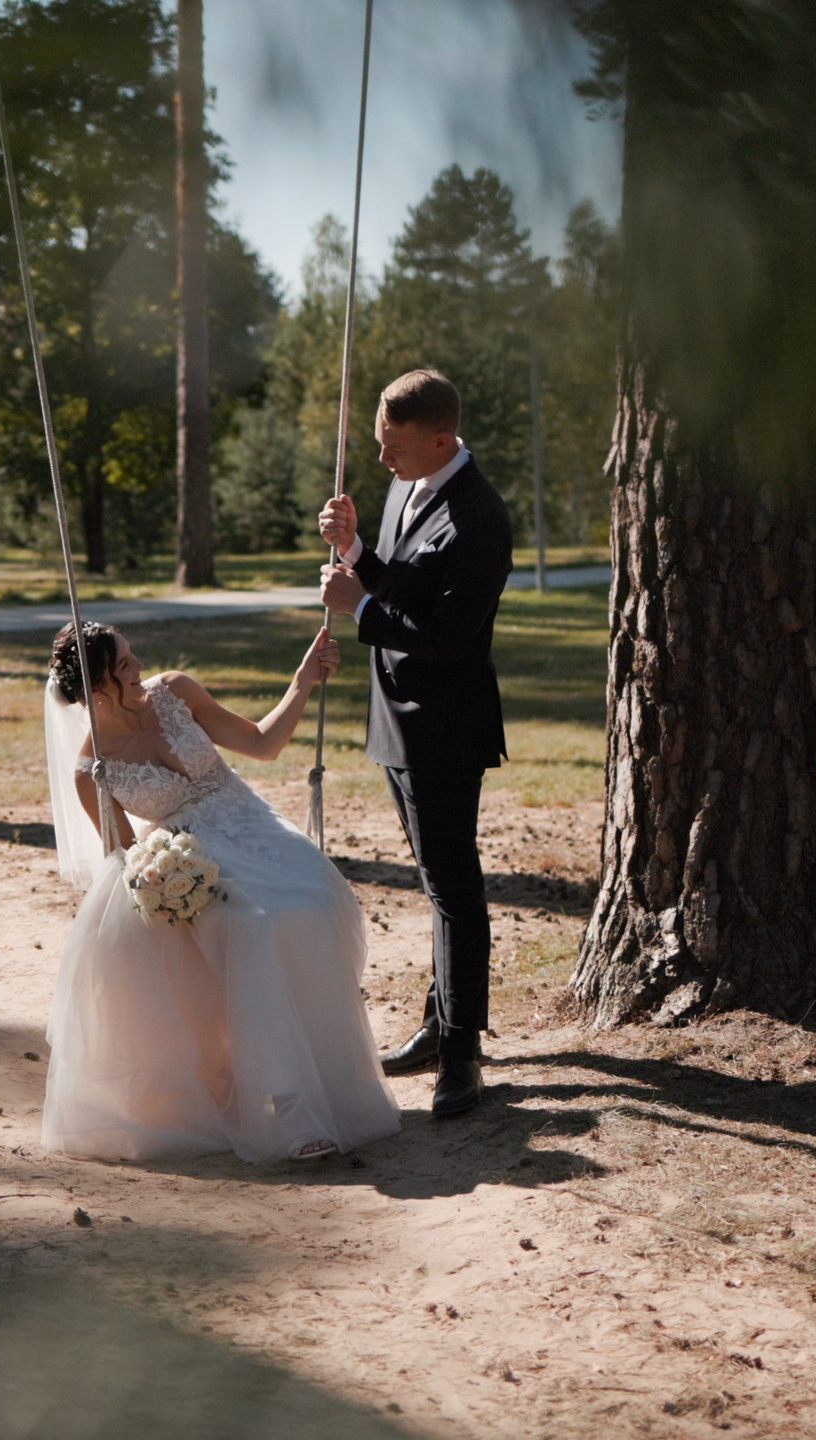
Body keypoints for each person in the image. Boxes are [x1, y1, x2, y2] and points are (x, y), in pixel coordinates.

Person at [40, 620, 401, 1164]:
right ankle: (291, 1109)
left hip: (255, 829)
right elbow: (123, 860)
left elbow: (263, 744)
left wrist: (302, 680)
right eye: (125, 665)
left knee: (310, 903)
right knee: (255, 928)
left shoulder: (175, 691)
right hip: (193, 865)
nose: (140, 668)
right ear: (96, 691)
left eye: (134, 656)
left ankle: (330, 1081)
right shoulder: (92, 771)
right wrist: (164, 882)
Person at [316, 370, 512, 1118]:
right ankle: (437, 1024)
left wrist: (360, 608)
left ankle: (462, 1054)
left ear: (440, 439)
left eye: (392, 445)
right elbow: (405, 585)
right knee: (436, 884)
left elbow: (449, 639)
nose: (382, 459)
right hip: (396, 719)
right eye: (378, 442)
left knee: (454, 889)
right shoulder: (408, 486)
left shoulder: (480, 517)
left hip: (445, 725)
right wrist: (357, 549)